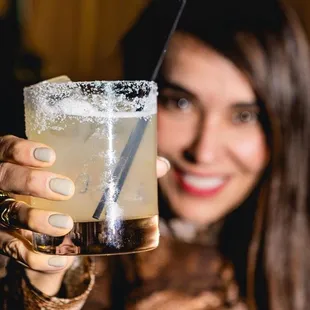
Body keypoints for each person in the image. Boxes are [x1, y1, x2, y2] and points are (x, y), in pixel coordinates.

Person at [1, 0, 310, 309]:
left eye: (244, 116)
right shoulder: (72, 229)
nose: (204, 152)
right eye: (181, 103)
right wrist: (36, 288)